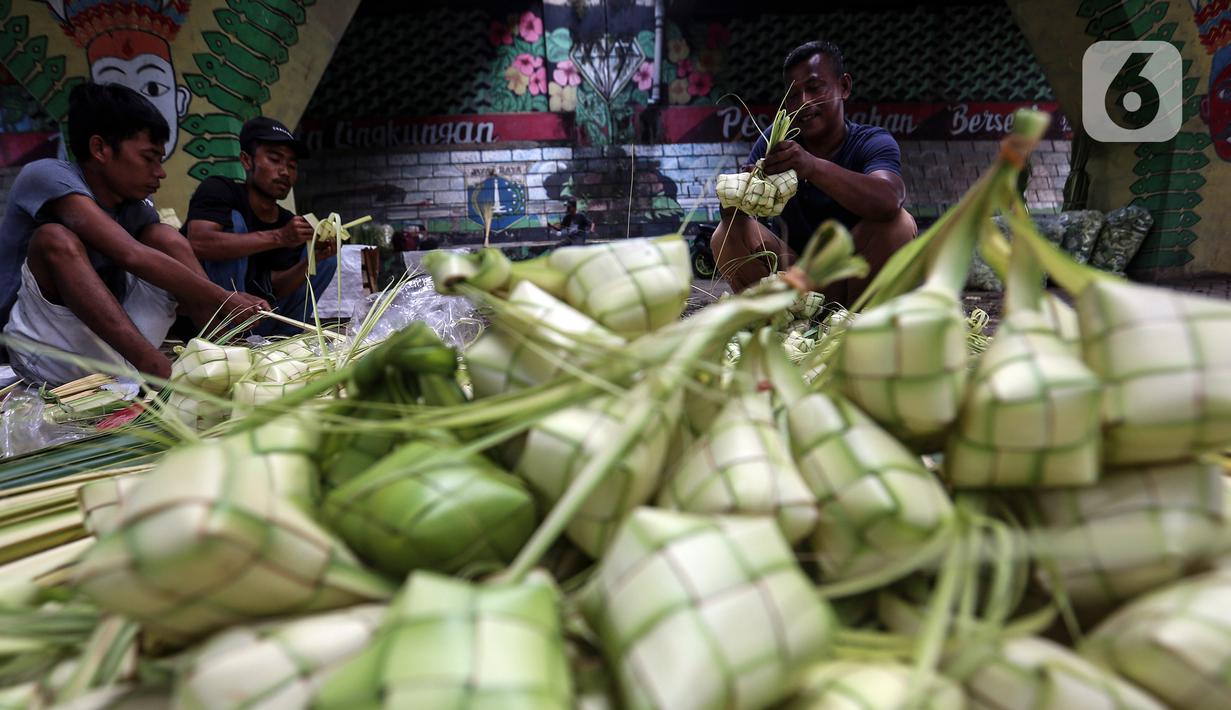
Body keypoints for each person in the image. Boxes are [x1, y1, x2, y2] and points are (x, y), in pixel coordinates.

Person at [0, 83, 267, 386]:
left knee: (163, 237)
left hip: (110, 348)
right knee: (54, 238)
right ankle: (155, 369)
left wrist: (223, 306)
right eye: (148, 158)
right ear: (100, 149)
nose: (160, 172)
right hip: (42, 352)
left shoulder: (135, 207)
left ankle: (223, 350)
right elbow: (130, 254)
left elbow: (152, 253)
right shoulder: (46, 176)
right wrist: (225, 296)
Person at [711, 39, 916, 304]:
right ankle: (780, 319)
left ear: (844, 87)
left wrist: (811, 166)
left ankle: (855, 324)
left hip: (855, 276)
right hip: (795, 281)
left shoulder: (872, 141)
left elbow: (889, 199)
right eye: (793, 95)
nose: (803, 102)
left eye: (814, 88)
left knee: (899, 224)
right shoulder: (775, 143)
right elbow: (740, 222)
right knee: (725, 233)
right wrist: (738, 198)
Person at [183, 117, 336, 336]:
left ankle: (286, 344)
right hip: (208, 318)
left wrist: (314, 260)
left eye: (292, 165)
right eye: (275, 159)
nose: (285, 171)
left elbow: (277, 288)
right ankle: (227, 339)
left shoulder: (287, 222)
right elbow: (199, 242)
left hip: (259, 319)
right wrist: (279, 237)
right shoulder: (219, 190)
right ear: (246, 160)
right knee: (233, 222)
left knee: (324, 257)